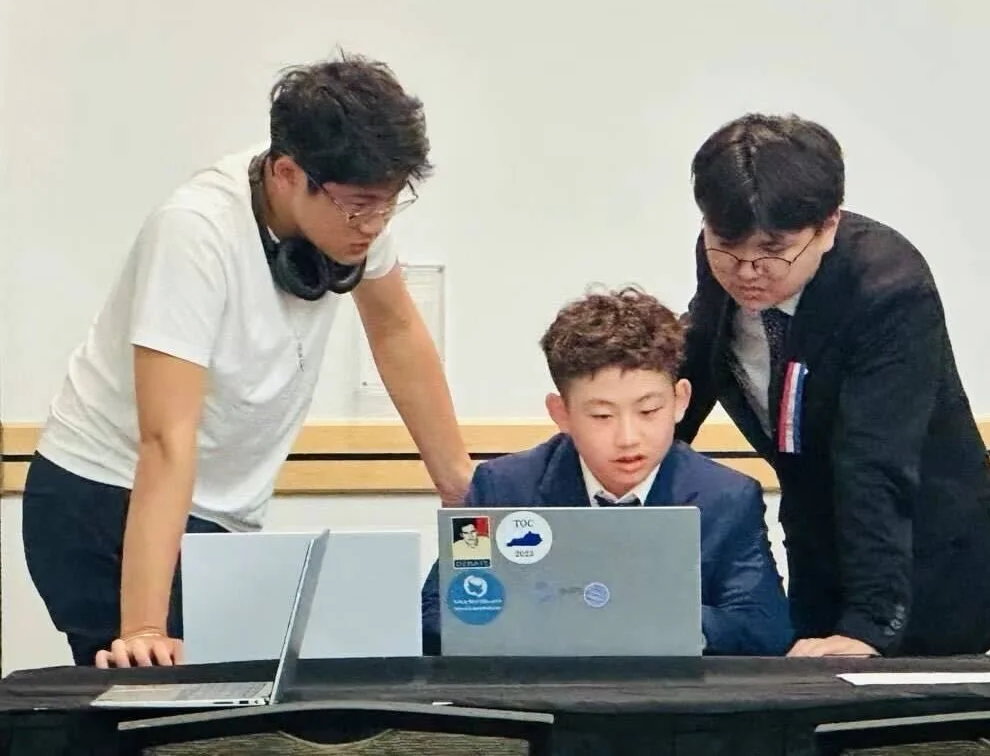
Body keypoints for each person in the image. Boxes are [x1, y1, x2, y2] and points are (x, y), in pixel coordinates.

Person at [23, 53, 473, 669]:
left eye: (390, 203)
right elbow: (165, 439)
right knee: (156, 694)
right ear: (287, 173)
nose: (374, 224)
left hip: (214, 510)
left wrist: (461, 487)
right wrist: (144, 627)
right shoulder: (195, 232)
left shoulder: (349, 213)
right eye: (360, 206)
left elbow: (395, 331)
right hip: (105, 498)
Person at [674, 113, 990, 657]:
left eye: (773, 250)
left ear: (828, 224)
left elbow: (874, 462)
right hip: (817, 541)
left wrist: (868, 626)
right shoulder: (724, 257)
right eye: (726, 245)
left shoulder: (888, 287)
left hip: (924, 554)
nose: (747, 270)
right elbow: (695, 357)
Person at [420, 287, 793, 655]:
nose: (628, 438)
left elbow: (764, 626)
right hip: (545, 689)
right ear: (561, 414)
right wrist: (559, 619)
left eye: (648, 411)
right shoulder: (501, 488)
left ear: (680, 401)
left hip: (669, 690)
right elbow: (436, 617)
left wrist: (652, 619)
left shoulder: (726, 497)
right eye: (601, 416)